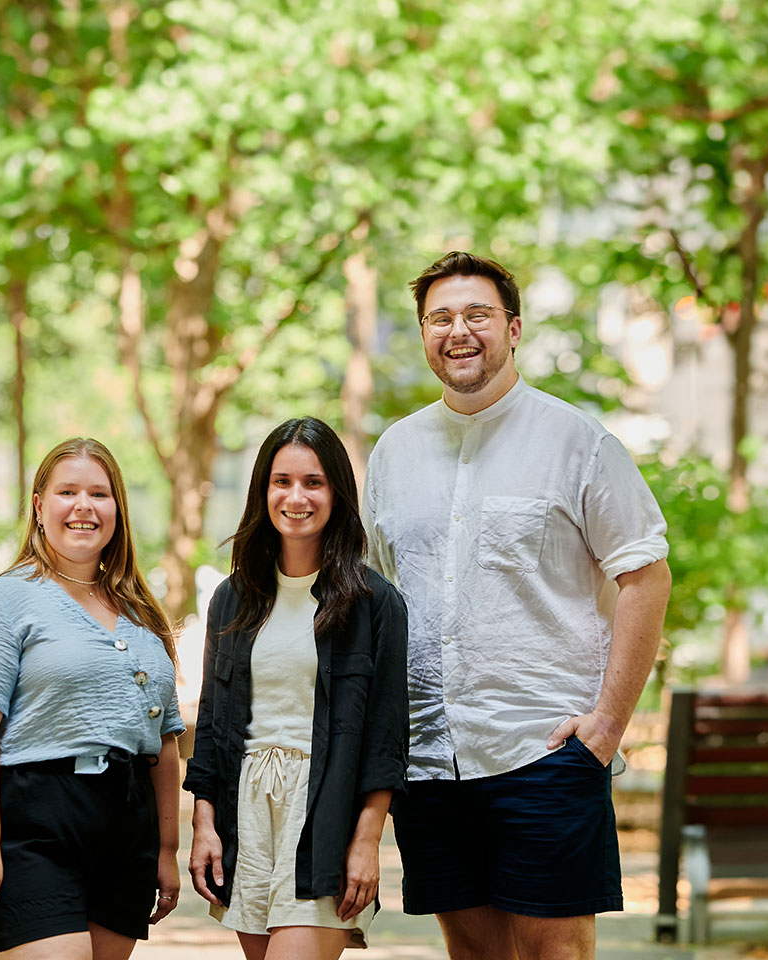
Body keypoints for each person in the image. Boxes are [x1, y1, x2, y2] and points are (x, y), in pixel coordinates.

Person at [365, 252, 673, 960]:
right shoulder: (393, 452)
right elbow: (386, 594)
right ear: (423, 333)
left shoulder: (578, 441)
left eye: (477, 314)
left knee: (554, 956)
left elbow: (645, 577)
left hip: (546, 748)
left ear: (513, 328)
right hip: (431, 760)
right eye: (440, 318)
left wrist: (606, 729)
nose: (459, 331)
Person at [0, 437, 184, 960]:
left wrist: (167, 850)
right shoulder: (1, 601)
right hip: (29, 821)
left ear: (117, 509)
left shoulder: (144, 615)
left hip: (125, 824)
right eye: (67, 492)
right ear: (39, 506)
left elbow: (164, 742)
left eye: (99, 494)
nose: (84, 507)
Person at [184, 417, 409, 960]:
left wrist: (366, 840)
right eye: (281, 481)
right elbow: (213, 724)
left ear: (337, 492)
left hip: (325, 809)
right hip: (248, 808)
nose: (296, 496)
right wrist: (204, 823)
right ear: (263, 490)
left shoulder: (374, 602)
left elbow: (385, 733)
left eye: (313, 482)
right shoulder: (233, 599)